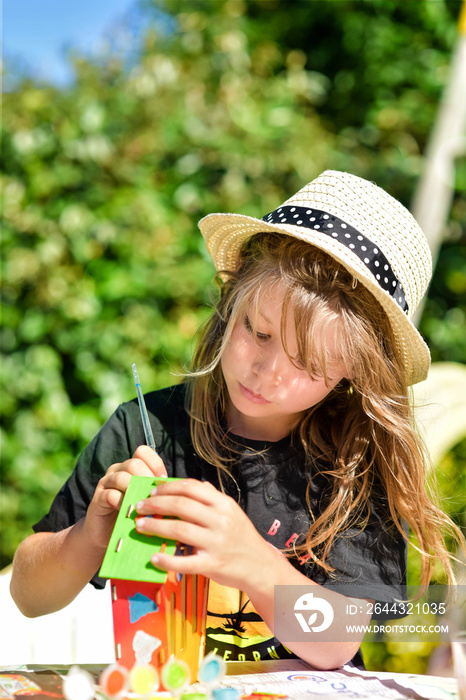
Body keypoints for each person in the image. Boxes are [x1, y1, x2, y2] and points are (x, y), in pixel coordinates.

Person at [10, 170, 462, 670]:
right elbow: (29, 596)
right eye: (258, 332)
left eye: (307, 365)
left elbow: (336, 642)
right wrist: (88, 537)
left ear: (353, 372)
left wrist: (252, 559)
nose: (267, 374)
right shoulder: (148, 431)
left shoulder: (354, 468)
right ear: (233, 299)